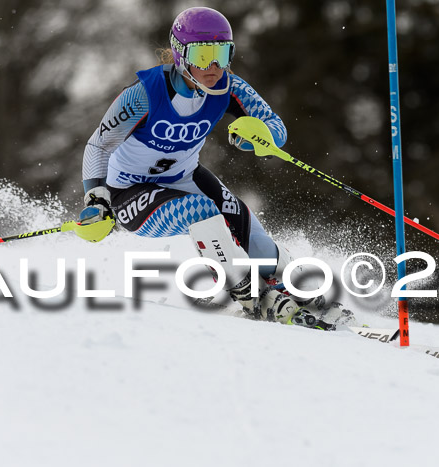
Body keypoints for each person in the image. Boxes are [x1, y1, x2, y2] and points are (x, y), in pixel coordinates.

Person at [79, 7, 334, 329]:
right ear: (180, 54)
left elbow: (275, 128)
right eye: (202, 55)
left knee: (253, 236)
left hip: (185, 177)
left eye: (222, 54)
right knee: (200, 210)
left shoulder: (230, 87)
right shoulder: (144, 95)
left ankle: (298, 288)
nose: (213, 66)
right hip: (129, 192)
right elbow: (98, 145)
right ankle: (248, 292)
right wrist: (96, 199)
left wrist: (260, 135)